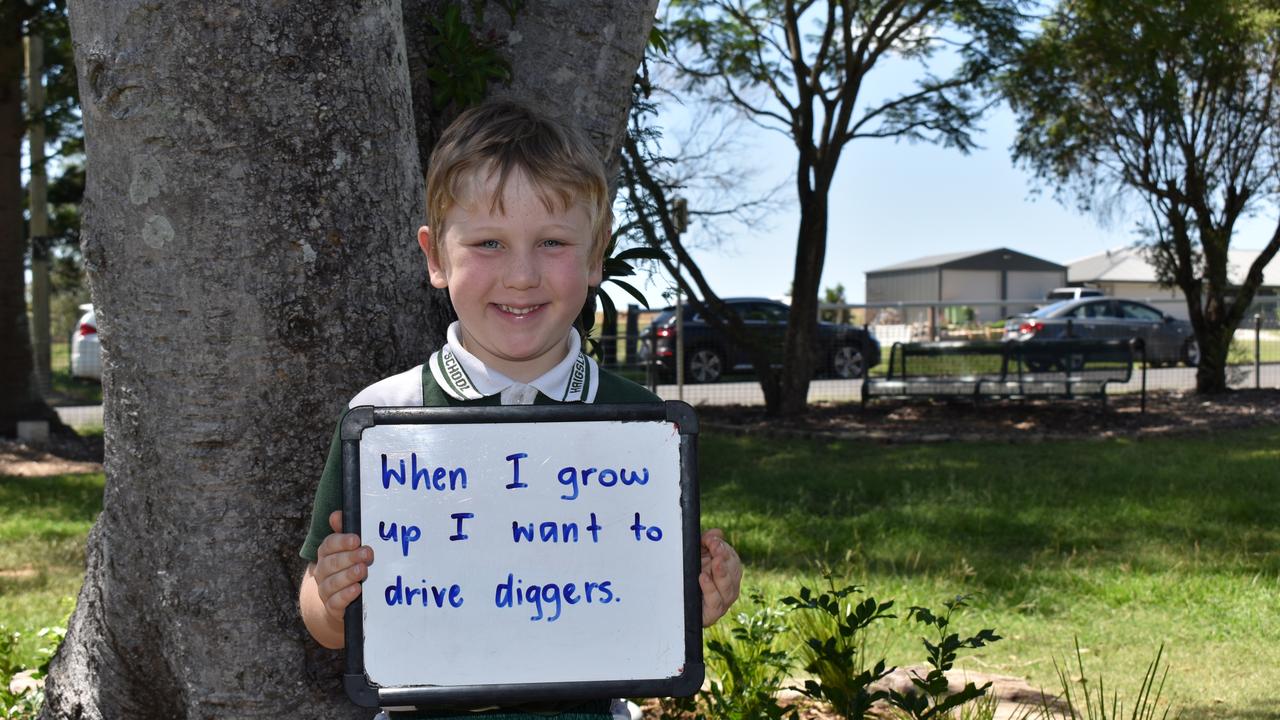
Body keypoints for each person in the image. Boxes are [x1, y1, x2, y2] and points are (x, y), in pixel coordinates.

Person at [297, 101, 743, 719]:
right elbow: (322, 623)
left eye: (553, 243)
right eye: (489, 243)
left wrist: (697, 601)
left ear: (595, 256)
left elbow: (646, 615)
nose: (522, 275)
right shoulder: (381, 421)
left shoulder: (642, 425)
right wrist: (332, 592)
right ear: (434, 257)